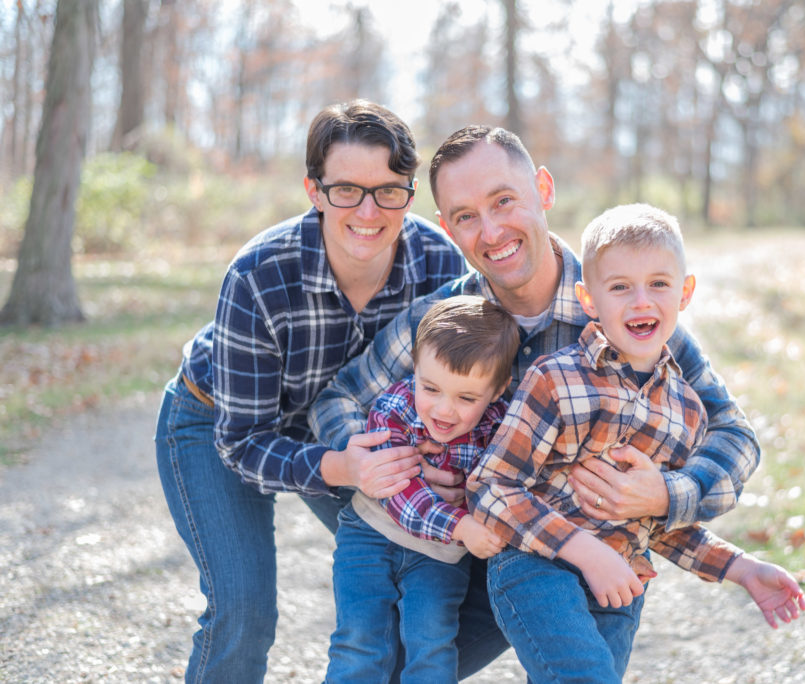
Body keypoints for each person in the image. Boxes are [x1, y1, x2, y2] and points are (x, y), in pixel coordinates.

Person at [309, 125, 763, 676]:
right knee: (389, 668)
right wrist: (379, 460)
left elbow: (734, 435)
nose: (492, 229)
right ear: (448, 228)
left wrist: (665, 492)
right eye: (466, 215)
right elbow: (338, 399)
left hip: (587, 564)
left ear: (543, 191)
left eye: (504, 200)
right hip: (466, 549)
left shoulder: (621, 307)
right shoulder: (447, 323)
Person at [153, 100, 468, 683]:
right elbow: (243, 443)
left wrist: (438, 463)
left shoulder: (439, 265)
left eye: (389, 191)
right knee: (243, 614)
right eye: (347, 189)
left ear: (409, 193)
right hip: (219, 424)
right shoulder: (258, 275)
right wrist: (343, 469)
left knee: (432, 582)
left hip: (350, 435)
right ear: (314, 190)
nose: (369, 211)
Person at [466, 203, 805, 681]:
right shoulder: (556, 381)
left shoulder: (686, 411)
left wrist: (741, 568)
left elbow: (656, 522)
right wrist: (587, 551)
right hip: (538, 569)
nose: (641, 301)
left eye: (659, 284)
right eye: (620, 287)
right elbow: (490, 487)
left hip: (620, 590)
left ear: (685, 292)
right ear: (589, 300)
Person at [326, 295, 517, 683]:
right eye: (430, 388)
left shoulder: (501, 428)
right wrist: (462, 526)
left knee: (432, 648)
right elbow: (398, 492)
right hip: (371, 535)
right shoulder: (394, 406)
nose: (444, 411)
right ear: (415, 369)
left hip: (439, 557)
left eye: (466, 397)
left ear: (498, 391)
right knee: (360, 642)